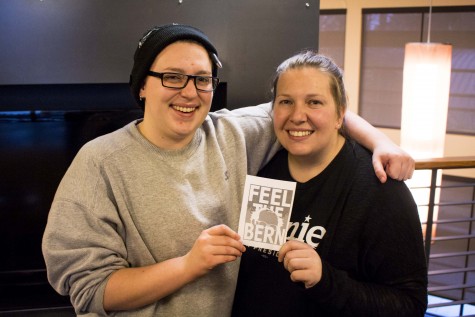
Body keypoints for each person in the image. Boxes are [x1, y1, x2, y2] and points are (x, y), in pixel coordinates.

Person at [42, 24, 415, 316]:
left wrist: (382, 142)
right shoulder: (100, 162)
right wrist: (189, 265)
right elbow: (91, 291)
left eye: (202, 79)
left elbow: (309, 107)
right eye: (172, 76)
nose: (189, 92)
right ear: (142, 85)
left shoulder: (233, 133)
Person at [232, 51, 428, 317]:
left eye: (314, 102)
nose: (297, 115)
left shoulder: (381, 190)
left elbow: (409, 306)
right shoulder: (263, 170)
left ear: (341, 114)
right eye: (286, 101)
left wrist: (326, 281)